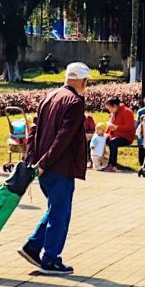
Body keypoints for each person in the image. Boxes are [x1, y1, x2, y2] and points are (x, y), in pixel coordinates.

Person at [20, 61, 89, 274]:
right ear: (83, 81)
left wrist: (34, 158)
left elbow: (34, 130)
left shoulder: (50, 96)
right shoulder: (75, 102)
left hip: (44, 165)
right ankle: (51, 259)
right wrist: (45, 162)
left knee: (55, 209)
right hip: (59, 165)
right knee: (60, 213)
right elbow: (63, 138)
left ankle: (33, 246)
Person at [102, 97, 136, 172]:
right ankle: (99, 162)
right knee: (99, 139)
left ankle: (112, 165)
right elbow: (109, 126)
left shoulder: (127, 112)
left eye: (109, 109)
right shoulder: (113, 113)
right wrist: (104, 134)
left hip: (126, 137)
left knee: (113, 142)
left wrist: (116, 127)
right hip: (114, 136)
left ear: (115, 106)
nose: (109, 111)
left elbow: (130, 127)